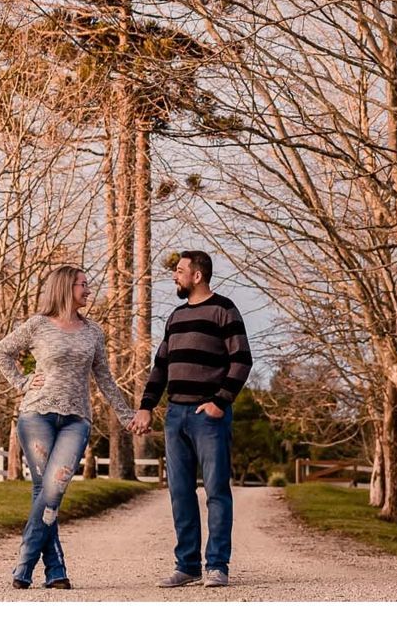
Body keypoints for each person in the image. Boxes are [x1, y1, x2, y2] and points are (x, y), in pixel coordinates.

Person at [0, 264, 136, 590]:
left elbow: (105, 379)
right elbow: (0, 351)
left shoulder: (93, 332)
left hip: (76, 419)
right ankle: (55, 572)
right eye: (82, 284)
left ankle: (24, 563)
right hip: (36, 415)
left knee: (52, 489)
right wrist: (22, 382)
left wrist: (126, 416)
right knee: (47, 492)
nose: (88, 290)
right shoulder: (38, 325)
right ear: (65, 288)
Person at [131, 249, 252, 588]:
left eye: (181, 271)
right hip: (176, 415)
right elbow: (161, 367)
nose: (176, 276)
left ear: (197, 276)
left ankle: (217, 565)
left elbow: (242, 360)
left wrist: (220, 402)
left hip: (208, 417)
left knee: (215, 492)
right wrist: (146, 405)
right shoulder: (175, 317)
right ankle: (187, 566)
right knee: (180, 493)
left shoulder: (224, 310)